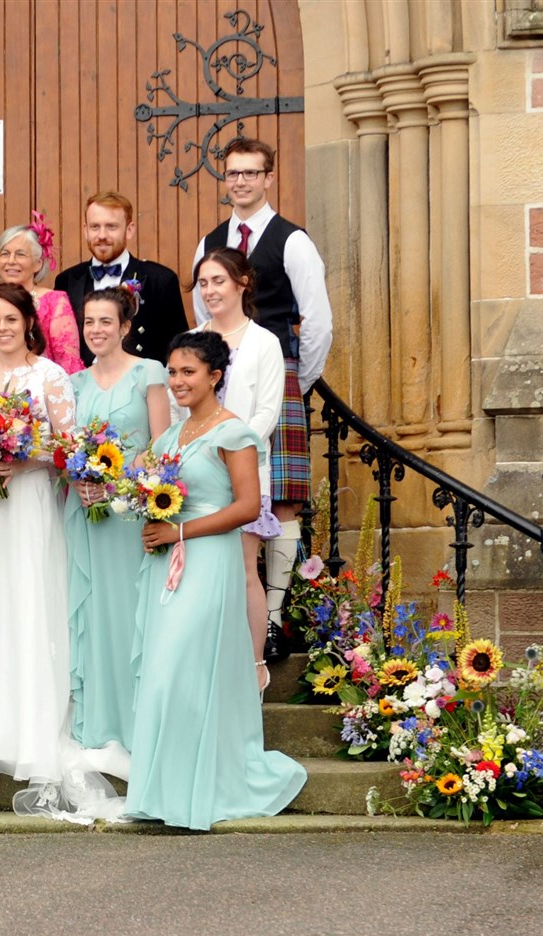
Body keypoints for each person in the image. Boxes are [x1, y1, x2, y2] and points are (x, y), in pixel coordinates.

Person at [123, 330, 306, 829]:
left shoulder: (234, 433)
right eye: (173, 372)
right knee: (164, 672)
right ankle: (166, 791)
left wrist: (178, 529)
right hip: (169, 562)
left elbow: (247, 507)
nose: (178, 381)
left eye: (189, 372)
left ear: (215, 376)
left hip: (208, 559)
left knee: (184, 667)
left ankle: (200, 788)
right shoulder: (167, 437)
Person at [192, 137, 331, 661]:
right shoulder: (209, 241)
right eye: (234, 173)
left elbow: (317, 322)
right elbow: (201, 314)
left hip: (275, 371)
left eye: (252, 173)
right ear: (224, 179)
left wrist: (297, 381)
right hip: (220, 378)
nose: (242, 181)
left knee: (281, 501)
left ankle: (271, 619)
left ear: (269, 177)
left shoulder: (292, 241)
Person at [0, 283, 76, 785]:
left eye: (11, 319)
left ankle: (30, 733)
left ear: (30, 322)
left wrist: (23, 457)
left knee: (27, 602)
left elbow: (69, 452)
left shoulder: (50, 376)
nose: (2, 329)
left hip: (29, 502)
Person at [64, 286, 171, 758]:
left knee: (134, 614)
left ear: (125, 327)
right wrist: (79, 481)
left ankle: (140, 724)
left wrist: (122, 484)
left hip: (130, 516)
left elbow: (163, 445)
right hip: (89, 516)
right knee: (97, 614)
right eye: (89, 322)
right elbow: (70, 449)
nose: (96, 330)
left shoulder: (149, 373)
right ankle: (102, 720)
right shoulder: (75, 383)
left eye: (106, 321)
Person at [193, 247, 285, 693]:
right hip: (195, 475)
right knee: (200, 568)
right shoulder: (191, 338)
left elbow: (267, 411)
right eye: (203, 283)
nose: (210, 290)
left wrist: (230, 451)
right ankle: (207, 658)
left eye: (218, 281)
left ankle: (252, 664)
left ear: (242, 284)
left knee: (245, 567)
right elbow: (179, 409)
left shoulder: (263, 342)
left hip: (243, 469)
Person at [54, 191, 189, 367]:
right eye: (95, 227)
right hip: (81, 386)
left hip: (140, 387)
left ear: (129, 229)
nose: (102, 235)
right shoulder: (67, 280)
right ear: (85, 230)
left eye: (111, 227)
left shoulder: (160, 279)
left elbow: (178, 347)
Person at [0, 213, 83, 373]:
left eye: (20, 254)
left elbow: (69, 365)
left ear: (38, 264)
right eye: (4, 254)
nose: (11, 261)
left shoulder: (55, 301)